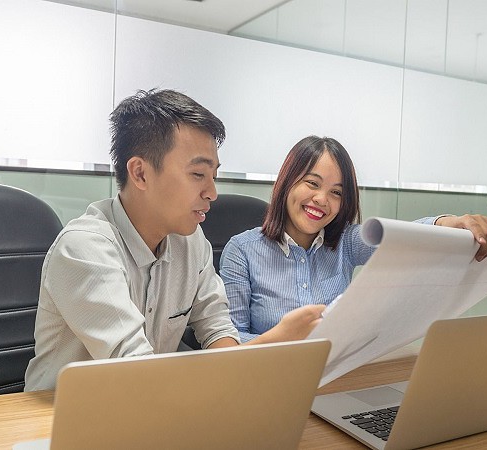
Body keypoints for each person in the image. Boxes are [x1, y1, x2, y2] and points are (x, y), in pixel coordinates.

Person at [24, 90, 324, 391]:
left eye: (213, 176)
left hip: (148, 409)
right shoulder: (84, 249)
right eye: (197, 174)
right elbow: (135, 367)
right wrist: (278, 338)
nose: (212, 193)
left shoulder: (191, 241)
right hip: (59, 420)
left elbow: (216, 327)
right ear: (140, 173)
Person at [220, 136, 487, 343]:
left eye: (336, 193)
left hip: (335, 375)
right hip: (270, 379)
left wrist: (452, 223)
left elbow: (402, 239)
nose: (322, 199)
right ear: (287, 182)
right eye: (313, 183)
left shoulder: (345, 242)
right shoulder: (242, 250)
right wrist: (284, 337)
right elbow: (232, 339)